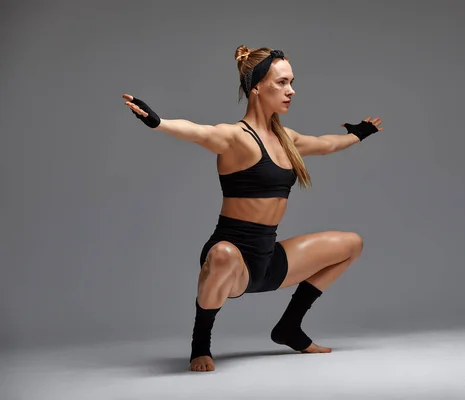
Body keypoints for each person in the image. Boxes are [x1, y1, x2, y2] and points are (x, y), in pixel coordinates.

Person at [122, 45, 384, 372]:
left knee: (351, 244)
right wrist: (158, 122)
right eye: (282, 82)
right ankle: (200, 345)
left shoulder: (287, 139)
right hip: (232, 261)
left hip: (269, 261)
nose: (291, 90)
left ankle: (289, 327)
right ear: (257, 87)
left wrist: (359, 134)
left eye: (292, 82)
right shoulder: (236, 137)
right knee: (223, 256)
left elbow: (327, 144)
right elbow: (199, 132)